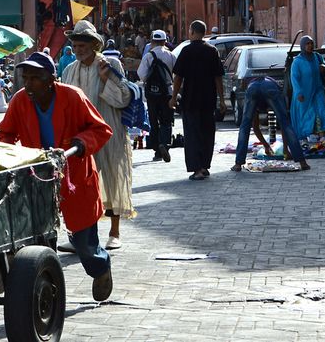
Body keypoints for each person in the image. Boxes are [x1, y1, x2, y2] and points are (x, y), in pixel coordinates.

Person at [0, 52, 115, 302]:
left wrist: (81, 142)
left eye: (35, 78)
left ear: (50, 79)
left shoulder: (72, 97)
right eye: (25, 77)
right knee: (39, 239)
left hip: (74, 175)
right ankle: (46, 287)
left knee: (83, 240)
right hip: (38, 178)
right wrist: (7, 156)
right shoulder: (20, 100)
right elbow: (6, 135)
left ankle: (100, 268)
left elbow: (101, 129)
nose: (28, 83)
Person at [63, 20, 134, 250]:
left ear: (94, 45)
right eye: (75, 46)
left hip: (108, 131)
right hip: (81, 137)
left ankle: (115, 232)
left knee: (112, 180)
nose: (78, 50)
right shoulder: (68, 70)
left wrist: (105, 81)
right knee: (81, 186)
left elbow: (123, 98)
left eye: (82, 46)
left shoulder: (109, 64)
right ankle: (81, 236)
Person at [171, 20, 226, 181]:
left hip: (191, 100)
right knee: (207, 134)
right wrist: (221, 100)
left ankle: (198, 169)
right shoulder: (212, 51)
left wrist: (174, 97)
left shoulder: (187, 51)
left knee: (192, 134)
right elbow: (218, 77)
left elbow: (178, 77)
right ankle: (204, 165)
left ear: (192, 32)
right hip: (208, 100)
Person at [232, 75, 309, 171]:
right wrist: (285, 149)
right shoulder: (272, 87)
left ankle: (238, 164)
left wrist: (266, 145)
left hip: (253, 89)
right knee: (285, 122)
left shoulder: (251, 90)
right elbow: (283, 126)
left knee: (245, 125)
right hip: (269, 87)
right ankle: (302, 162)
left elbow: (255, 127)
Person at [137, 30, 176, 162]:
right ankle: (164, 144)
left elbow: (141, 75)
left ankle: (157, 151)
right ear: (165, 41)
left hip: (152, 94)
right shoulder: (171, 56)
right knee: (166, 121)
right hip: (167, 92)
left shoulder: (149, 56)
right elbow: (177, 76)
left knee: (154, 121)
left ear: (152, 42)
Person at [289, 35, 325, 140]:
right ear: (303, 46)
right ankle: (304, 139)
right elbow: (294, 78)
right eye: (307, 44)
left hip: (317, 91)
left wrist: (324, 67)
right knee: (305, 116)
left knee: (320, 111)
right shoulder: (297, 62)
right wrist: (298, 93)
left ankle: (322, 138)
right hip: (304, 94)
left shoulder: (317, 57)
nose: (310, 45)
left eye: (311, 43)